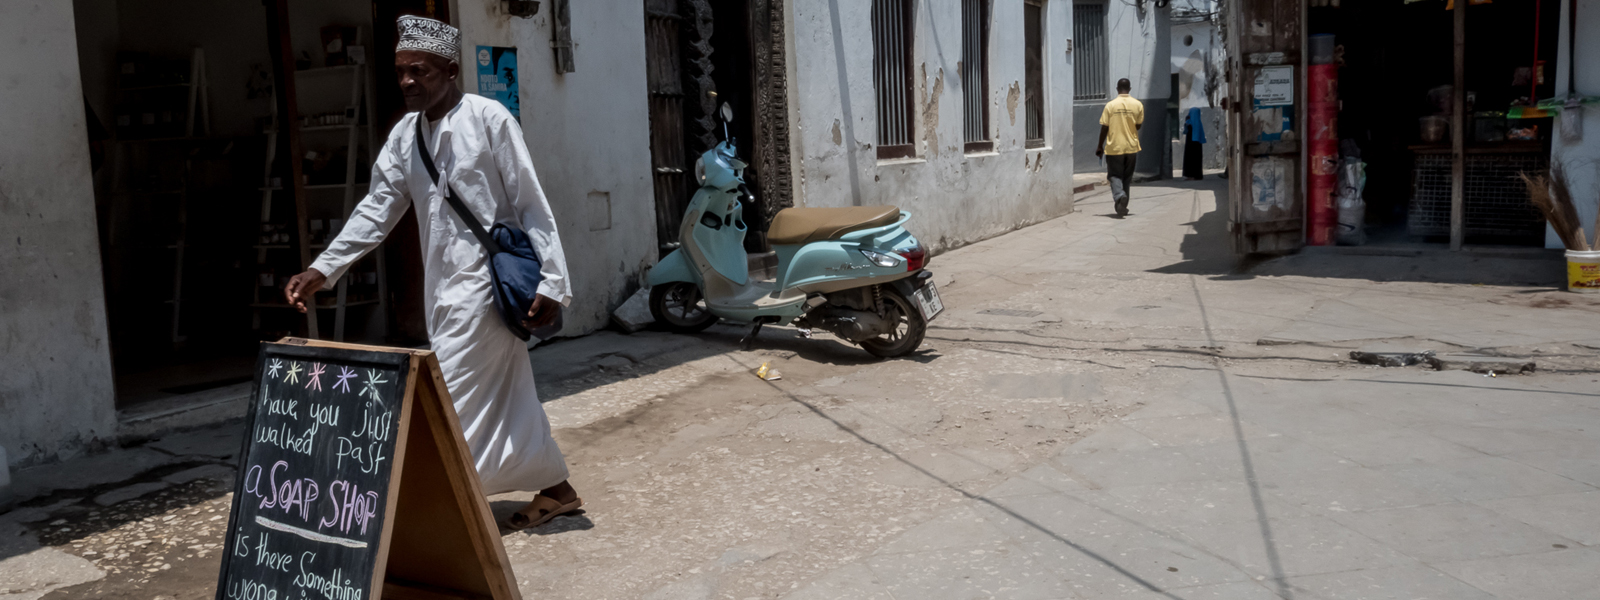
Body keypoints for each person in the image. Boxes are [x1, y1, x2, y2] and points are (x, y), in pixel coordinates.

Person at [282, 15, 581, 530]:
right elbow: (379, 207)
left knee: (448, 400)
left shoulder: (490, 119)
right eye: (400, 72)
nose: (407, 82)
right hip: (442, 291)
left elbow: (531, 203)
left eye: (419, 70)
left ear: (450, 69)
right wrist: (323, 267)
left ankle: (437, 512)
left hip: (488, 290)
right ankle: (557, 489)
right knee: (509, 398)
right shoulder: (405, 134)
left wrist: (554, 282)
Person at [1095, 78, 1144, 217]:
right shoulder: (1138, 104)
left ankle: (1119, 196)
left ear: (1117, 89)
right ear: (1130, 89)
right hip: (1132, 147)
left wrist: (1100, 146)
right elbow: (1138, 125)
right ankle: (1122, 206)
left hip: (1115, 147)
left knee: (1115, 176)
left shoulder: (1110, 105)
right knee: (1126, 179)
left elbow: (1104, 127)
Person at [1182, 106, 1206, 181]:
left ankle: (1191, 175)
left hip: (1192, 141)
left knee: (1191, 157)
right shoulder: (1198, 125)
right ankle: (1196, 175)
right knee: (1196, 157)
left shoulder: (1190, 124)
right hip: (1196, 141)